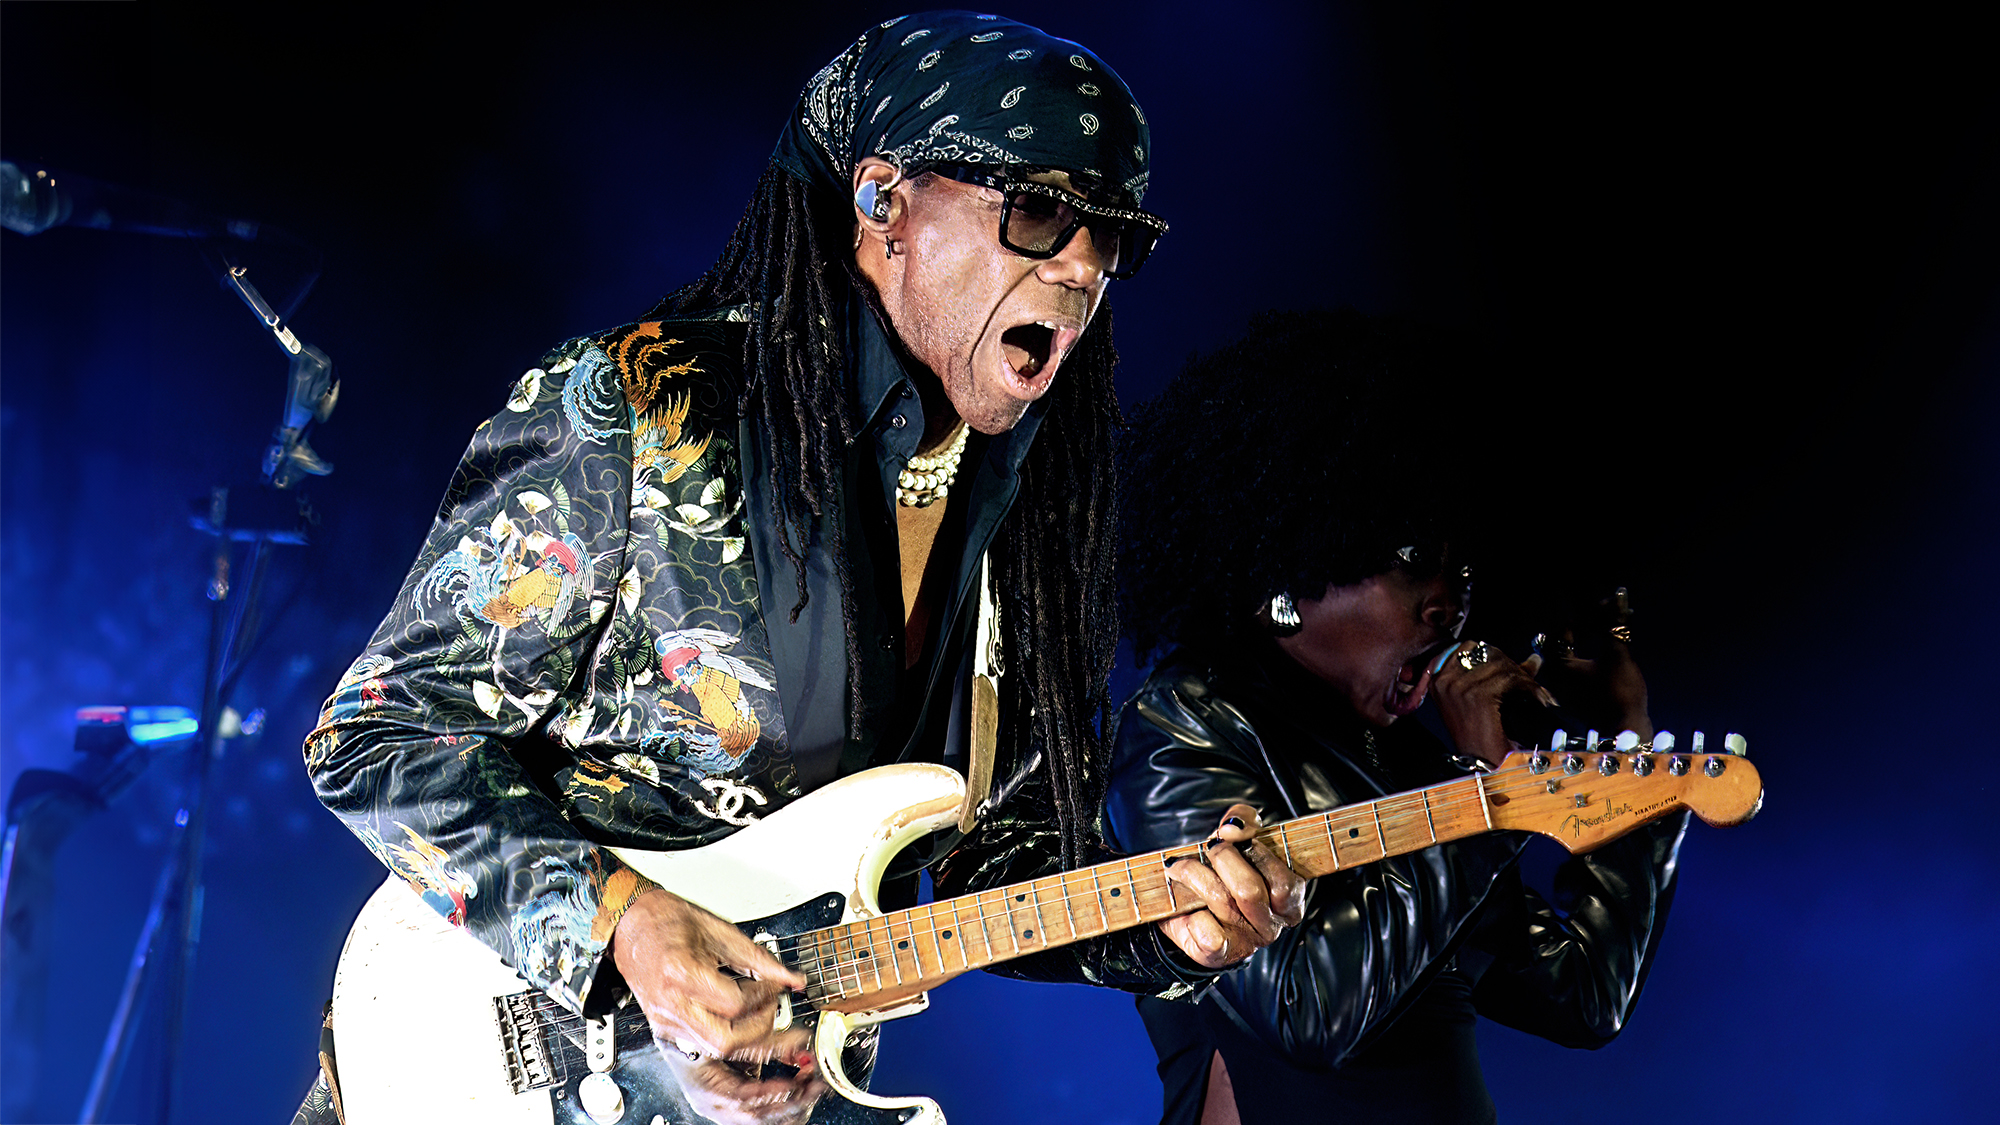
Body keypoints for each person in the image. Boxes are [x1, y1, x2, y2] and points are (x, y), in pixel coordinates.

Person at [295, 13, 1301, 1125]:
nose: (1078, 266)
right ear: (884, 204)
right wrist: (621, 919)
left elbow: (978, 864)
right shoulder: (648, 410)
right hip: (499, 1062)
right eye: (1039, 212)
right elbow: (377, 736)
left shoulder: (1027, 510)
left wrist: (1162, 927)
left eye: (1110, 237)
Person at [1105, 309, 1687, 1125]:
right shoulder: (1185, 726)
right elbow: (1304, 1007)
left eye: (1461, 563)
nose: (1453, 599)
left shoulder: (1402, 757)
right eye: (1414, 561)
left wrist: (1629, 744)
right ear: (1291, 572)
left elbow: (1583, 997)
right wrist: (1489, 802)